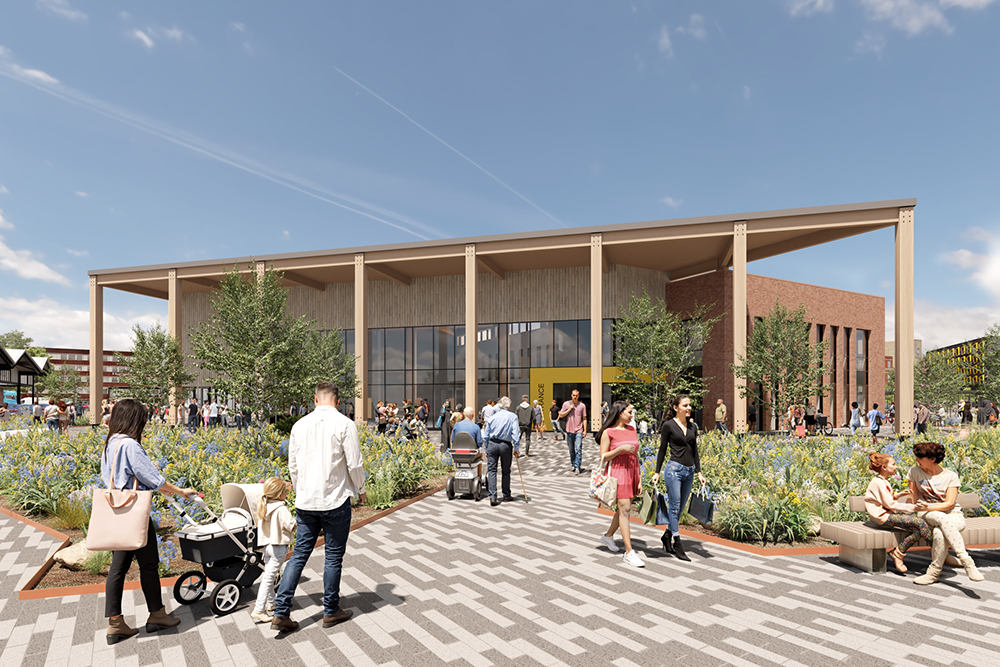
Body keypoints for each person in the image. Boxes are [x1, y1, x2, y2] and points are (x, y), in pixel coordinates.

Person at [272, 382, 366, 633]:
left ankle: (281, 611)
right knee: (333, 556)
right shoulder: (345, 424)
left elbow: (292, 464)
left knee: (300, 554)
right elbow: (354, 463)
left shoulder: (299, 425)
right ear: (337, 401)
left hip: (306, 502)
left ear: (315, 399)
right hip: (335, 500)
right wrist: (361, 489)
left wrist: (300, 489)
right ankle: (331, 610)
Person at [102, 398, 196, 644]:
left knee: (119, 569)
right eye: (142, 419)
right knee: (147, 565)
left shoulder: (111, 442)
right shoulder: (130, 445)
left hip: (117, 512)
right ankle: (154, 615)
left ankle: (122, 621)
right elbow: (153, 479)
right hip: (134, 514)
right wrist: (179, 491)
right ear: (134, 419)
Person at [908, 441, 984, 585]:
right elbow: (912, 498)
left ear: (932, 459)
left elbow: (949, 504)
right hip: (925, 513)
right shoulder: (914, 472)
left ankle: (933, 573)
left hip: (952, 514)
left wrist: (928, 506)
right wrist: (914, 503)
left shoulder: (950, 476)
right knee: (940, 518)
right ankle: (967, 561)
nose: (917, 460)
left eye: (920, 458)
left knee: (939, 532)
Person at [652, 394, 705, 562]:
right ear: (676, 408)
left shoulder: (692, 426)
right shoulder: (668, 426)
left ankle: (666, 536)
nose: (689, 408)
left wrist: (698, 471)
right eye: (685, 405)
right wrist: (657, 471)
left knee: (679, 509)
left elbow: (695, 450)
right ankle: (678, 543)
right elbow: (662, 449)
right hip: (674, 470)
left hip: (689, 472)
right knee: (674, 508)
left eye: (689, 405)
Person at [864, 453, 929, 573]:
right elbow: (890, 504)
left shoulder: (882, 481)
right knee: (920, 523)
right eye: (893, 464)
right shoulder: (878, 482)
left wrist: (899, 495)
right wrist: (913, 508)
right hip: (883, 517)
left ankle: (898, 553)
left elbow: (886, 498)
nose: (896, 467)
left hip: (886, 515)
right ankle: (940, 552)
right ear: (884, 467)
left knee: (918, 528)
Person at [597, 401, 644, 568]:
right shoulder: (608, 432)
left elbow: (636, 455)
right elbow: (603, 457)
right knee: (625, 510)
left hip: (631, 472)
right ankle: (629, 552)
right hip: (617, 473)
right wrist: (620, 449)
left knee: (622, 510)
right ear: (619, 413)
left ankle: (608, 536)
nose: (632, 415)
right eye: (629, 412)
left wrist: (638, 478)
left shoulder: (632, 429)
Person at [251, 477, 296, 624]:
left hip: (267, 546)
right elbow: (291, 526)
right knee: (269, 577)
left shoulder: (264, 505)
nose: (286, 493)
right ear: (279, 495)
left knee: (269, 575)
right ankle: (259, 609)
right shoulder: (281, 509)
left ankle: (271, 602)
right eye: (284, 491)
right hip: (278, 547)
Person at [481, 396, 520, 507]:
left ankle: (492, 497)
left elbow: (486, 435)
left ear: (500, 405)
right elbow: (515, 434)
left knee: (492, 470)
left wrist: (486, 448)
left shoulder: (493, 417)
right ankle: (506, 495)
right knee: (506, 471)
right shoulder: (513, 417)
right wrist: (516, 448)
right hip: (505, 445)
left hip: (493, 444)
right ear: (510, 406)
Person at [559, 389, 587, 475]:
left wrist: (585, 430)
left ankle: (578, 466)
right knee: (571, 449)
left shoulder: (582, 405)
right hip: (569, 430)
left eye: (576, 395)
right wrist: (569, 409)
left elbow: (584, 418)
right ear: (571, 395)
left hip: (579, 430)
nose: (575, 397)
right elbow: (561, 415)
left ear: (578, 396)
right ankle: (573, 464)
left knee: (578, 448)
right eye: (574, 395)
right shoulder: (566, 404)